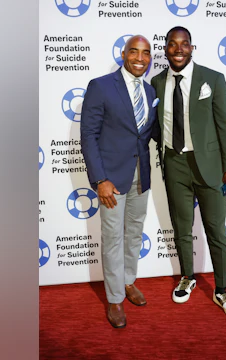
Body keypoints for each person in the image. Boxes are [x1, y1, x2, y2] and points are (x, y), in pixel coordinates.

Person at [150, 26, 226, 320]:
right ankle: (187, 277)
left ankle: (222, 290)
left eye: (184, 44)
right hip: (174, 163)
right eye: (172, 44)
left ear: (193, 48)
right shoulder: (155, 82)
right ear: (165, 49)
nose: (178, 49)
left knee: (216, 230)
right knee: (181, 227)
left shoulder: (213, 79)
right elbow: (153, 125)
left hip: (211, 167)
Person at [80, 35, 157, 328]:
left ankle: (127, 281)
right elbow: (88, 135)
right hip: (111, 178)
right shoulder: (100, 86)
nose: (140, 58)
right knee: (113, 237)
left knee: (134, 232)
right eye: (134, 52)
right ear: (124, 54)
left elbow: (145, 134)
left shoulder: (149, 92)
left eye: (146, 53)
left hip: (141, 175)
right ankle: (114, 299)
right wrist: (100, 179)